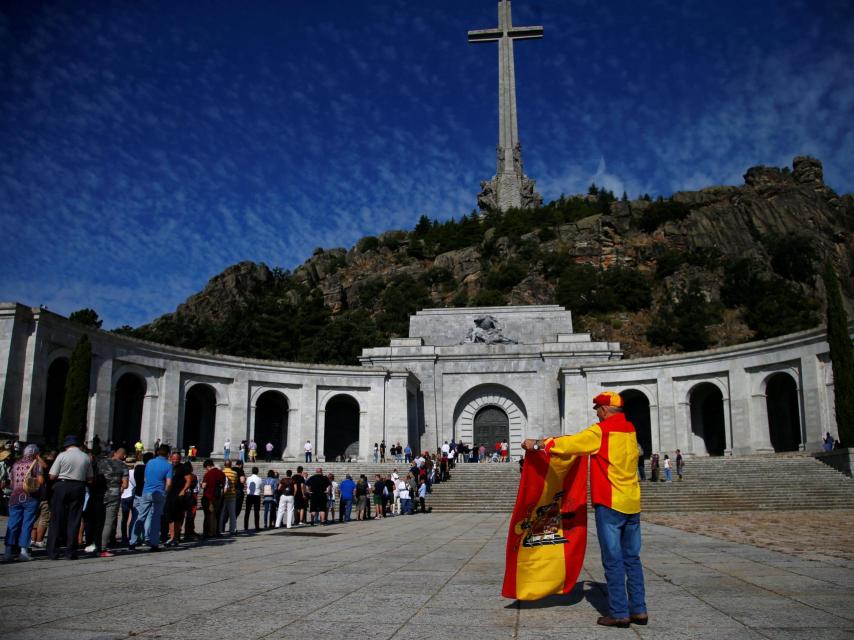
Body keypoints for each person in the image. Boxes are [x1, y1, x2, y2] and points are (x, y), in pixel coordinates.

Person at [522, 391, 647, 628]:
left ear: (604, 410)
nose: (597, 415)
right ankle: (639, 610)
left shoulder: (601, 431)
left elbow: (570, 443)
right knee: (632, 558)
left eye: (598, 410)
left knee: (613, 559)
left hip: (610, 503)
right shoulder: (630, 429)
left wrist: (537, 444)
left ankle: (619, 612)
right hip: (633, 503)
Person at [47, 435, 94, 560]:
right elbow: (90, 478)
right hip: (78, 487)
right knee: (74, 519)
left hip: (62, 485)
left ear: (66, 445)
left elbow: (52, 476)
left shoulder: (62, 455)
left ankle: (53, 551)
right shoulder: (85, 457)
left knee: (57, 518)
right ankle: (71, 551)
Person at [3, 444, 44, 562]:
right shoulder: (36, 464)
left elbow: (11, 484)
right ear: (36, 453)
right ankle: (23, 552)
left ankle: (8, 552)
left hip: (14, 498)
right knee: (27, 524)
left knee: (12, 524)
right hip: (30, 497)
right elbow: (41, 481)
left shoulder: (15, 464)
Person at [129, 444, 172, 552]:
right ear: (168, 454)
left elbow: (145, 478)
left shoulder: (149, 463)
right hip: (159, 493)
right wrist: (166, 492)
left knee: (141, 516)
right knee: (155, 519)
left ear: (157, 452)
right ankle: (154, 543)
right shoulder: (168, 465)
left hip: (146, 491)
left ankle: (132, 541)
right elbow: (169, 483)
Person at [92, 447, 128, 556]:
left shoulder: (101, 463)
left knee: (98, 521)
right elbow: (125, 484)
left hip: (100, 493)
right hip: (114, 494)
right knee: (108, 522)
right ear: (122, 455)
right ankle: (103, 548)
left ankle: (94, 544)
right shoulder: (123, 465)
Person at [200, 459, 224, 538]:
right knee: (217, 515)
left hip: (208, 497)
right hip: (218, 497)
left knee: (208, 515)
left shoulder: (208, 474)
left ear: (208, 466)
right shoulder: (221, 473)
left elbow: (204, 486)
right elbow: (223, 485)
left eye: (206, 468)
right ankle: (216, 531)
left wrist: (201, 485)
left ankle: (207, 532)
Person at [219, 460, 238, 535]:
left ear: (224, 465)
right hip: (232, 494)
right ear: (231, 465)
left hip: (223, 495)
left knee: (221, 513)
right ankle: (233, 529)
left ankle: (219, 529)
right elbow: (235, 482)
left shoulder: (222, 472)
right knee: (232, 513)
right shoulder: (234, 473)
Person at [244, 466, 262, 531]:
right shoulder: (259, 479)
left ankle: (246, 526)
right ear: (257, 472)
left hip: (249, 495)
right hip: (256, 495)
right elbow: (261, 486)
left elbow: (247, 485)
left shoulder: (248, 478)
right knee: (256, 512)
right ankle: (257, 526)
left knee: (247, 511)